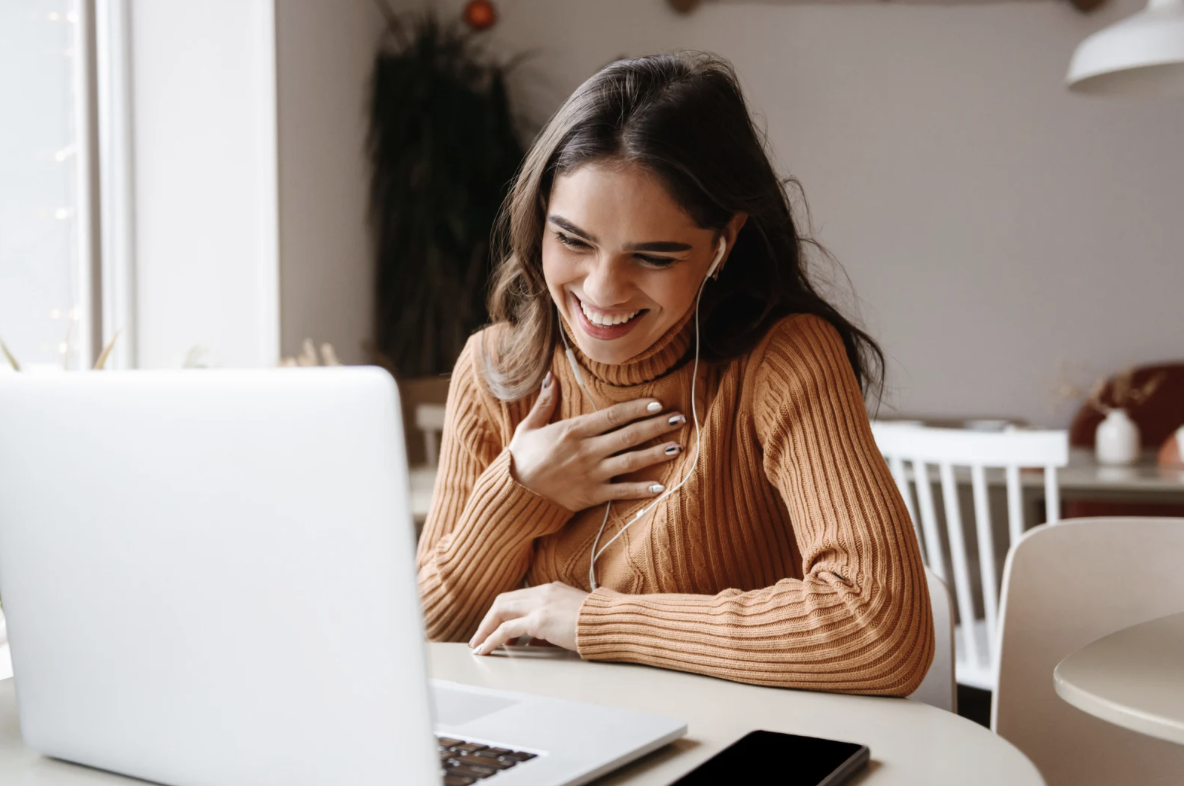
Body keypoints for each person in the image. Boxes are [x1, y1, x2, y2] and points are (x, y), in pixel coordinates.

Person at [416, 52, 933, 696]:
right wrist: (521, 493)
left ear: (723, 243)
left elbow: (880, 630)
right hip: (553, 740)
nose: (602, 291)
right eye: (573, 240)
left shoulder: (784, 359)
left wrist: (595, 622)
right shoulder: (497, 368)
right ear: (539, 217)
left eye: (654, 256)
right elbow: (423, 636)